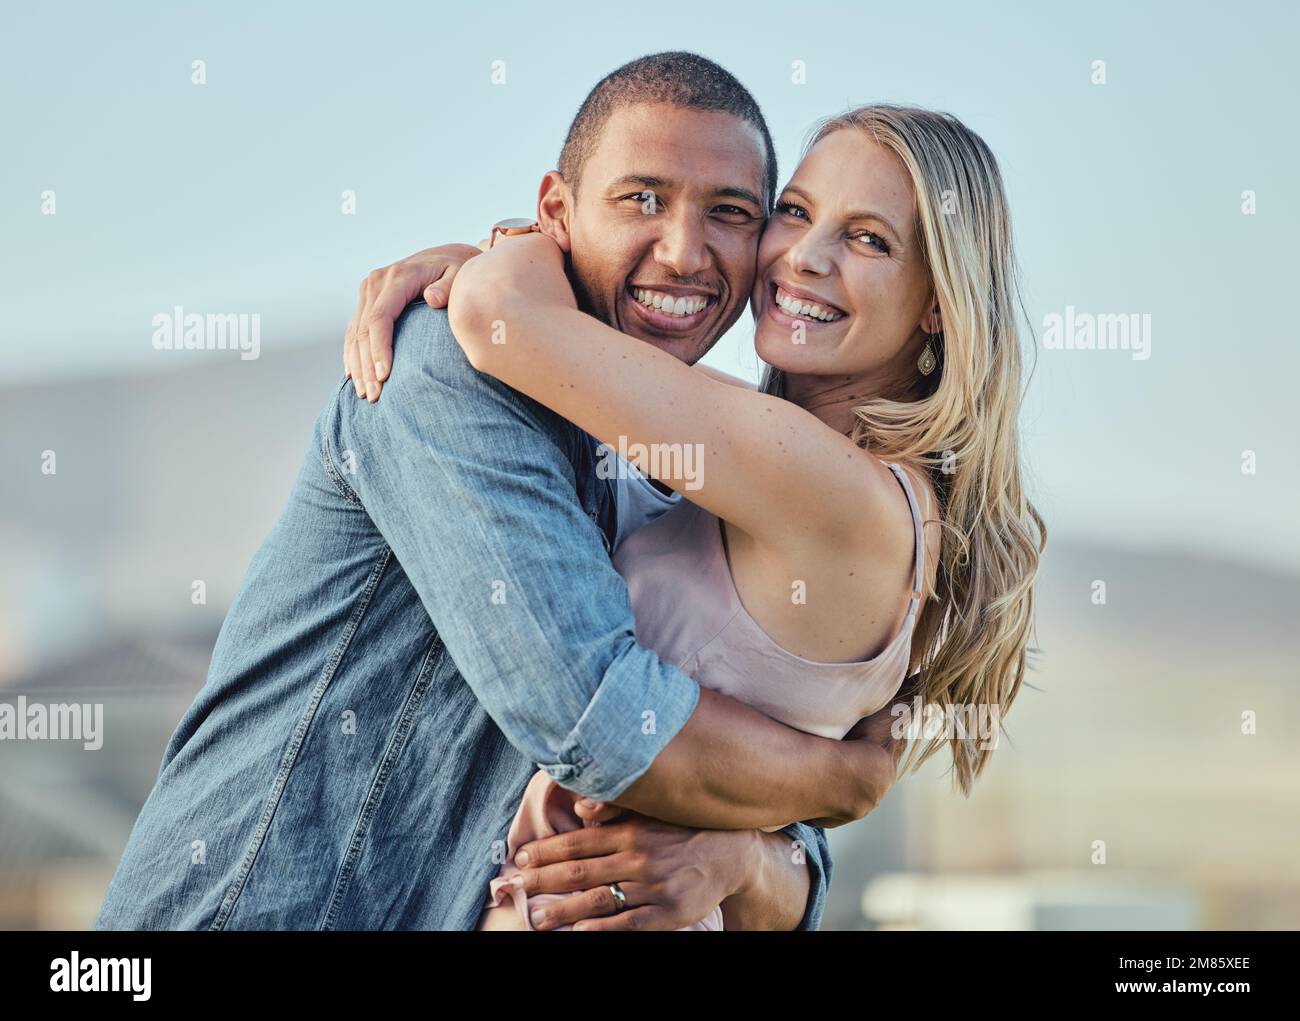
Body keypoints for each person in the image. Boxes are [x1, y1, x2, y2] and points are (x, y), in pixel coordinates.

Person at [94, 52, 903, 933]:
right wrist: (838, 779)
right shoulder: (446, 371)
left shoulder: (682, 457)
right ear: (557, 213)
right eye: (641, 199)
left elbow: (772, 834)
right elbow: (599, 720)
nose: (683, 251)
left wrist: (746, 859)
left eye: (730, 213)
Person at [348, 101, 1046, 930]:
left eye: (868, 239)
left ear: (939, 303)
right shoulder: (828, 487)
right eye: (796, 212)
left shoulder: (838, 489)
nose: (807, 258)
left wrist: (522, 243)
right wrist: (800, 813)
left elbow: (502, 320)